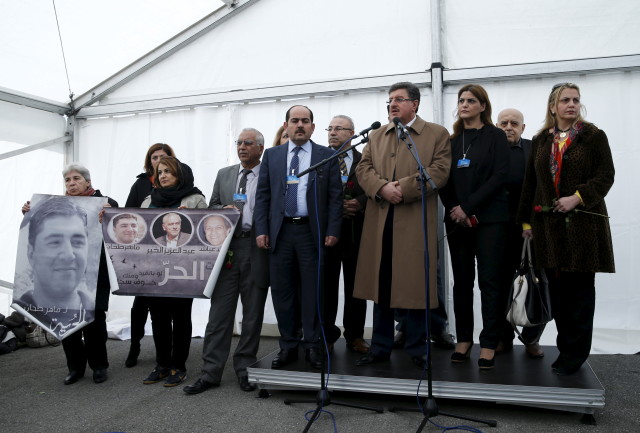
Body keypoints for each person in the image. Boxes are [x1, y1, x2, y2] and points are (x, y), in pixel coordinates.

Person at [517, 83, 615, 375]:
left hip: (584, 227)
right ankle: (565, 349)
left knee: (581, 295)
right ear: (553, 106)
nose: (571, 105)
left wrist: (578, 197)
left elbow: (606, 175)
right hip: (548, 230)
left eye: (575, 100)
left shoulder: (593, 136)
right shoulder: (540, 140)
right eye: (565, 100)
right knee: (557, 294)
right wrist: (525, 223)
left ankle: (575, 354)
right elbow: (529, 186)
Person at [353, 82, 451, 368]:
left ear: (415, 104)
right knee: (380, 283)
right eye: (389, 101)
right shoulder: (376, 135)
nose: (392, 105)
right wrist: (382, 188)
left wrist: (404, 188)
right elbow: (363, 168)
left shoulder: (437, 134)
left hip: (415, 220)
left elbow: (439, 171)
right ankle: (380, 347)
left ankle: (418, 348)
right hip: (380, 219)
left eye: (399, 100)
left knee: (415, 285)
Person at [255, 105, 342, 370]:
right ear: (286, 125)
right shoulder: (273, 155)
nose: (300, 125)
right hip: (280, 233)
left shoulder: (325, 155)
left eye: (305, 121)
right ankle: (288, 345)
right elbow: (263, 196)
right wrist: (262, 229)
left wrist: (333, 229)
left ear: (313, 127)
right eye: (295, 121)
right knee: (283, 292)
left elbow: (335, 197)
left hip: (310, 232)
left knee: (313, 292)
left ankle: (313, 346)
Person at [184, 128, 269, 395]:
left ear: (260, 148)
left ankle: (245, 369)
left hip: (257, 247)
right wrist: (221, 211)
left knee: (253, 314)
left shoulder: (269, 174)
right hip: (228, 250)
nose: (242, 147)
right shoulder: (225, 174)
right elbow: (213, 205)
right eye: (239, 142)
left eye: (248, 143)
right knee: (219, 314)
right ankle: (210, 373)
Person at [19, 163, 118, 385]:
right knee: (66, 321)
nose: (71, 183)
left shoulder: (105, 202)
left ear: (88, 181)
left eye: (76, 179)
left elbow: (118, 230)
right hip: (65, 278)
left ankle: (99, 366)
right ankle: (75, 367)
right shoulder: (55, 205)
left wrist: (111, 213)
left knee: (94, 322)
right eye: (67, 180)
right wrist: (29, 211)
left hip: (96, 272)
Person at [439, 84, 509, 370]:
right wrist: (456, 209)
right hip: (457, 222)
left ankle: (489, 342)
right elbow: (441, 178)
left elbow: (500, 175)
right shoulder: (452, 141)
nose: (464, 104)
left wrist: (469, 207)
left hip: (490, 220)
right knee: (462, 282)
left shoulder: (495, 136)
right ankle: (464, 339)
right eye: (461, 100)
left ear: (483, 106)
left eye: (471, 100)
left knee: (490, 283)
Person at [140, 155, 207, 386]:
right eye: (160, 172)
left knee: (180, 317)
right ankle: (162, 364)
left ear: (180, 174)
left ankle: (179, 365)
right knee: (158, 318)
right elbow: (141, 233)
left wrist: (190, 218)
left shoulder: (196, 198)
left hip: (183, 270)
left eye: (168, 171)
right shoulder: (149, 200)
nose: (163, 176)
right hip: (155, 270)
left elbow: (205, 235)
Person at [495, 108, 545, 358]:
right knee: (501, 285)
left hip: (530, 230)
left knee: (536, 283)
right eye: (503, 122)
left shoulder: (533, 150)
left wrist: (531, 223)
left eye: (514, 123)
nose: (508, 127)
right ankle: (503, 338)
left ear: (523, 128)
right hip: (497, 230)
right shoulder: (490, 151)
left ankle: (531, 338)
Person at [124, 142, 175, 368]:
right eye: (154, 158)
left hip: (171, 256)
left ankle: (164, 353)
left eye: (163, 157)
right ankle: (134, 346)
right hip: (145, 256)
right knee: (140, 306)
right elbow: (128, 213)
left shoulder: (179, 182)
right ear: (149, 162)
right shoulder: (141, 185)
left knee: (164, 310)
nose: (158, 161)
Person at [322, 115, 369, 354]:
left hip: (357, 232)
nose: (332, 132)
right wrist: (333, 205)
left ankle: (355, 336)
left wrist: (360, 202)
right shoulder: (321, 159)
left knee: (356, 288)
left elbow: (374, 188)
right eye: (329, 128)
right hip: (328, 234)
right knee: (326, 287)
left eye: (338, 129)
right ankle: (327, 335)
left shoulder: (365, 159)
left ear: (352, 133)